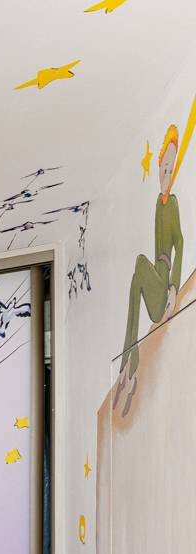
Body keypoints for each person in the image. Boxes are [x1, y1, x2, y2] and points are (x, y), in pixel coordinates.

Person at [117, 120, 188, 414]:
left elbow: (180, 242)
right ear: (158, 167)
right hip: (155, 280)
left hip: (163, 287)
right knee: (136, 280)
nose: (166, 174)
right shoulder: (158, 203)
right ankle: (129, 364)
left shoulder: (172, 204)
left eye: (171, 170)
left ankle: (129, 362)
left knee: (138, 263)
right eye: (164, 168)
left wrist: (173, 287)